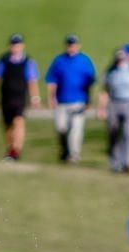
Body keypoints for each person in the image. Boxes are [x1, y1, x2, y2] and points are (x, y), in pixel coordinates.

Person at [0, 33, 40, 161]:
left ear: (22, 46)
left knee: (19, 121)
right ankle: (10, 150)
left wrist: (35, 97)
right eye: (13, 45)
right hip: (6, 97)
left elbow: (32, 81)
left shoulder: (28, 62)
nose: (15, 47)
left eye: (18, 45)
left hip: (20, 98)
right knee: (8, 126)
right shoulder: (2, 60)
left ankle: (16, 150)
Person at [45, 34, 96, 163]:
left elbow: (91, 81)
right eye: (69, 45)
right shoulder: (59, 61)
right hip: (61, 101)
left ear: (78, 46)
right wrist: (51, 97)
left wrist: (89, 100)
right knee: (61, 128)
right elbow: (52, 80)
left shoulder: (85, 61)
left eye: (74, 45)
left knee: (75, 131)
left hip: (79, 101)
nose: (71, 47)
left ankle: (74, 156)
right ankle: (64, 150)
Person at [97, 46, 129, 173]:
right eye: (118, 59)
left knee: (128, 133)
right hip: (114, 103)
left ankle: (128, 162)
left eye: (122, 58)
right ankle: (115, 163)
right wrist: (101, 109)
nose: (120, 61)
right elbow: (104, 91)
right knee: (113, 133)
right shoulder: (110, 71)